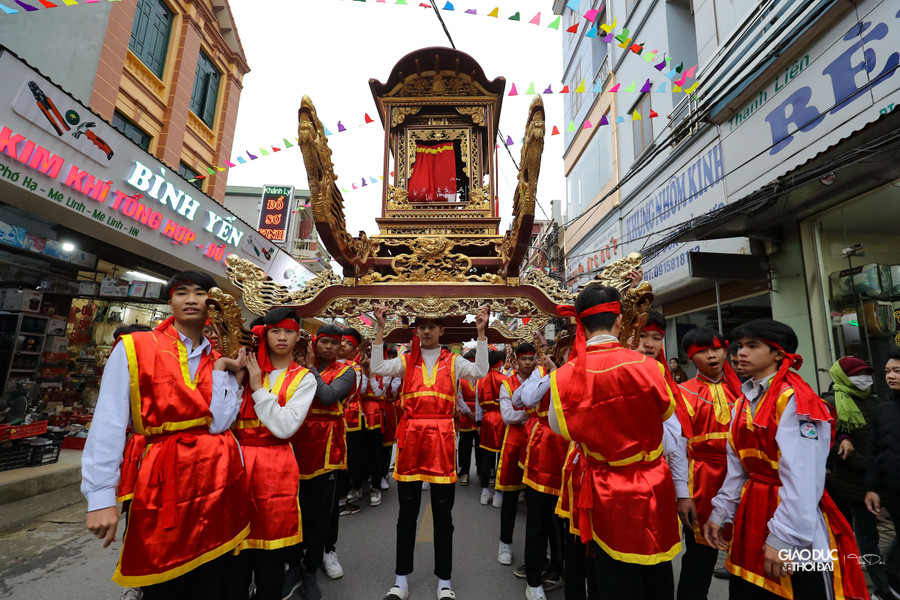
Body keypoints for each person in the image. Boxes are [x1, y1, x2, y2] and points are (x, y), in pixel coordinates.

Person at [83, 271, 249, 598]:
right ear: (169, 300)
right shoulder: (136, 347)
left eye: (200, 293)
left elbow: (218, 424)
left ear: (211, 303)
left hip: (217, 479)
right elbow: (110, 421)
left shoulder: (217, 359)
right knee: (163, 575)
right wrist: (100, 496)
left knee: (210, 575)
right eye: (181, 292)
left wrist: (227, 375)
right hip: (165, 477)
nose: (191, 299)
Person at [702, 319, 868, 600]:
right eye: (740, 346)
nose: (740, 352)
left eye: (752, 346)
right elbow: (738, 469)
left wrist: (784, 539)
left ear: (778, 353)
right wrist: (720, 513)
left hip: (790, 517)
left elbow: (804, 479)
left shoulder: (796, 401)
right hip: (751, 513)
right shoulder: (744, 400)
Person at [547, 285, 681, 600]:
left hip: (606, 488)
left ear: (579, 324)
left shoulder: (565, 376)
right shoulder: (651, 368)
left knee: (610, 576)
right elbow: (666, 419)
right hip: (653, 483)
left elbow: (561, 428)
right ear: (619, 321)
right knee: (656, 572)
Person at [371, 304, 489, 600]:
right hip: (411, 440)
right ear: (417, 330)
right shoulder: (405, 358)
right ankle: (401, 580)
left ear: (441, 330)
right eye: (421, 325)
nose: (425, 330)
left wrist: (481, 332)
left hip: (442, 441)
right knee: (406, 514)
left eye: (431, 325)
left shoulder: (454, 361)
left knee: (443, 517)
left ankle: (444, 582)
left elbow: (481, 370)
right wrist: (380, 328)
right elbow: (377, 368)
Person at [225, 307, 317, 600]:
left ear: (297, 337)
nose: (282, 337)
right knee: (234, 559)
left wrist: (256, 387)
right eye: (275, 330)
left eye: (289, 331)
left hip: (274, 468)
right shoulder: (243, 368)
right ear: (264, 333)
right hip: (235, 463)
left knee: (271, 557)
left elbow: (285, 427)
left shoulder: (304, 378)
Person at [284, 324, 357, 600]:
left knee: (321, 512)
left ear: (340, 348)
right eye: (323, 341)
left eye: (333, 343)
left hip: (328, 447)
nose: (327, 346)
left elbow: (327, 396)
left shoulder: (346, 371)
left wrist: (311, 368)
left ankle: (312, 567)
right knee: (295, 508)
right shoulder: (293, 365)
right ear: (315, 343)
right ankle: (293, 565)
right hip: (296, 441)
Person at [673, 327, 740, 600]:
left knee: (744, 556)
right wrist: (681, 494)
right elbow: (677, 447)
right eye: (702, 351)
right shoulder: (682, 393)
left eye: (716, 349)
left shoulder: (743, 389)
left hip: (742, 478)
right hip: (701, 479)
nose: (711, 356)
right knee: (700, 556)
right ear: (690, 358)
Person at [495, 344, 537, 568]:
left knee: (535, 502)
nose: (528, 363)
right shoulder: (507, 384)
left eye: (532, 359)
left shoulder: (543, 379)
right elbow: (508, 416)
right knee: (510, 500)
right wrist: (533, 412)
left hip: (537, 444)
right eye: (524, 359)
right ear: (516, 362)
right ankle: (505, 543)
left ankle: (538, 551)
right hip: (515, 442)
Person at [865, 351, 900, 598]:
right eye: (887, 371)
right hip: (894, 490)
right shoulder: (883, 410)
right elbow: (873, 451)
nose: (890, 376)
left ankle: (889, 579)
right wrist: (872, 487)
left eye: (897, 371)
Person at [476, 349, 509, 507]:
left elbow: (478, 405)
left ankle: (484, 491)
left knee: (486, 456)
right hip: (503, 418)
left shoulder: (481, 379)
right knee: (502, 457)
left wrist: (479, 423)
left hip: (487, 418)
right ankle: (498, 494)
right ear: (501, 362)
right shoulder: (506, 379)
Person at [456, 349, 479, 486]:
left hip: (479, 415)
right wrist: (467, 411)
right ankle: (464, 471)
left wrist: (477, 412)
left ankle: (482, 471)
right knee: (465, 446)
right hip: (466, 416)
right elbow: (458, 396)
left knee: (480, 445)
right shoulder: (461, 379)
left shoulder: (481, 378)